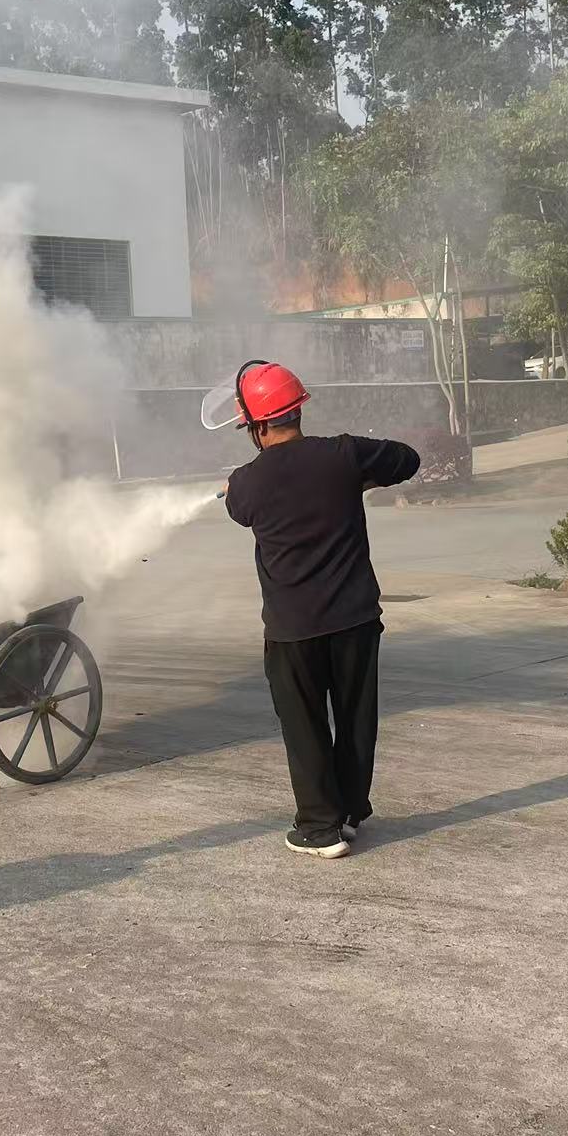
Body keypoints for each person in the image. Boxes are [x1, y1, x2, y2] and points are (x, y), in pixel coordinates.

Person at [217, 360, 421, 859]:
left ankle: (318, 828)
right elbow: (407, 459)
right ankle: (349, 812)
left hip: (294, 630)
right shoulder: (345, 454)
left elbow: (239, 508)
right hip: (355, 620)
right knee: (355, 719)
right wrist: (362, 478)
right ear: (297, 411)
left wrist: (236, 484)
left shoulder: (247, 482)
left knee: (304, 725)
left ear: (257, 426)